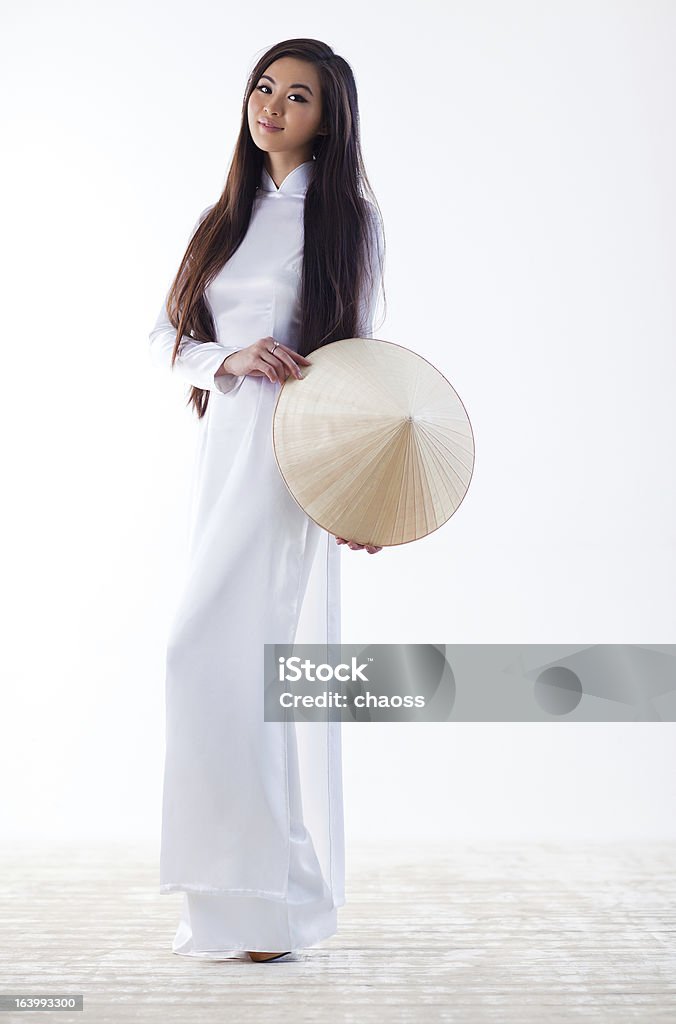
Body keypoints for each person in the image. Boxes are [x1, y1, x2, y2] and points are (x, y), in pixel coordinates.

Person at [148, 38, 386, 964]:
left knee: (236, 668)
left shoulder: (343, 221)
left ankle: (269, 903)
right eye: (263, 87)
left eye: (298, 96)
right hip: (223, 455)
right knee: (219, 670)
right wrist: (226, 357)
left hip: (288, 461)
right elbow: (165, 335)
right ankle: (252, 910)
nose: (272, 106)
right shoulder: (225, 216)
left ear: (331, 119)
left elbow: (360, 353)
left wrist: (354, 491)